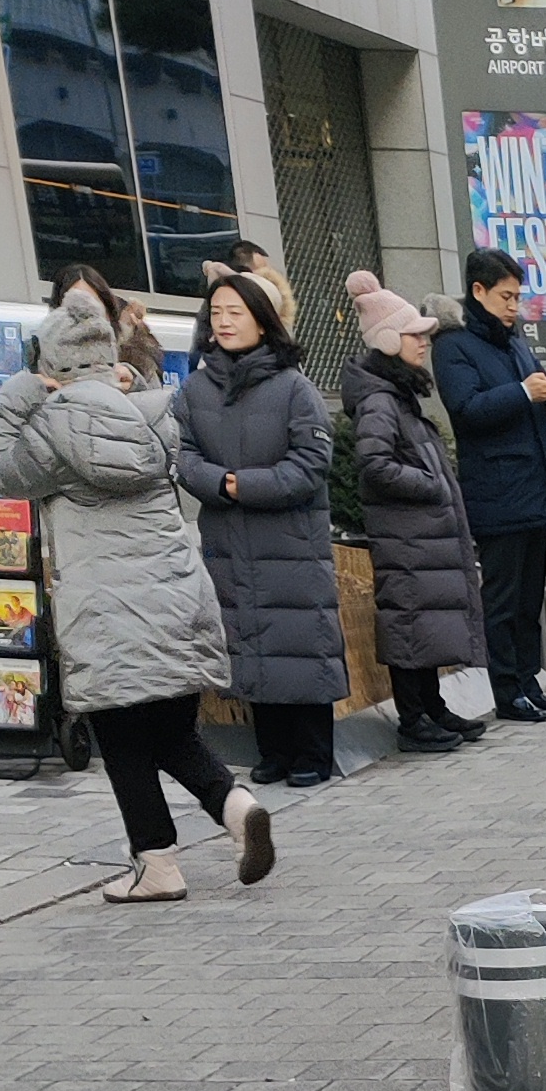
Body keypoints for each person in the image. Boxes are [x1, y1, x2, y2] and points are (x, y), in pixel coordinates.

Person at [0, 283, 271, 904]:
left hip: (107, 612)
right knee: (172, 733)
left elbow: (0, 471)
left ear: (52, 364)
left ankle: (157, 865)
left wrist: (24, 389)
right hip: (175, 598)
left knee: (120, 739)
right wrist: (125, 380)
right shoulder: (153, 412)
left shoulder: (53, 428)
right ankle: (235, 806)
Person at [175, 269, 344, 789]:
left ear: (264, 322)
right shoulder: (195, 389)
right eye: (216, 313)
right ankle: (271, 749)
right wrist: (216, 482)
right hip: (229, 542)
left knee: (299, 640)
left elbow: (310, 464)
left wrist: (239, 485)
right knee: (249, 642)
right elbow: (181, 455)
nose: (224, 322)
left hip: (290, 542)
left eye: (236, 313)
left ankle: (312, 752)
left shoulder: (295, 388)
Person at [341, 269, 487, 756]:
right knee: (408, 625)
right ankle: (413, 719)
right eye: (414, 335)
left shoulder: (397, 395)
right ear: (388, 341)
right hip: (406, 537)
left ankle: (432, 708)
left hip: (419, 537)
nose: (424, 343)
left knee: (424, 625)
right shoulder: (380, 401)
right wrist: (431, 485)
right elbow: (375, 465)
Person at [433, 246, 546, 726]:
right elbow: (467, 410)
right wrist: (522, 391)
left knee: (529, 598)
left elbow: (533, 409)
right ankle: (507, 691)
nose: (514, 306)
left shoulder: (513, 341)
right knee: (502, 598)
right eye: (506, 296)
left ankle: (530, 682)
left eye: (518, 297)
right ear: (479, 291)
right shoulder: (453, 345)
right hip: (496, 489)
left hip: (532, 485)